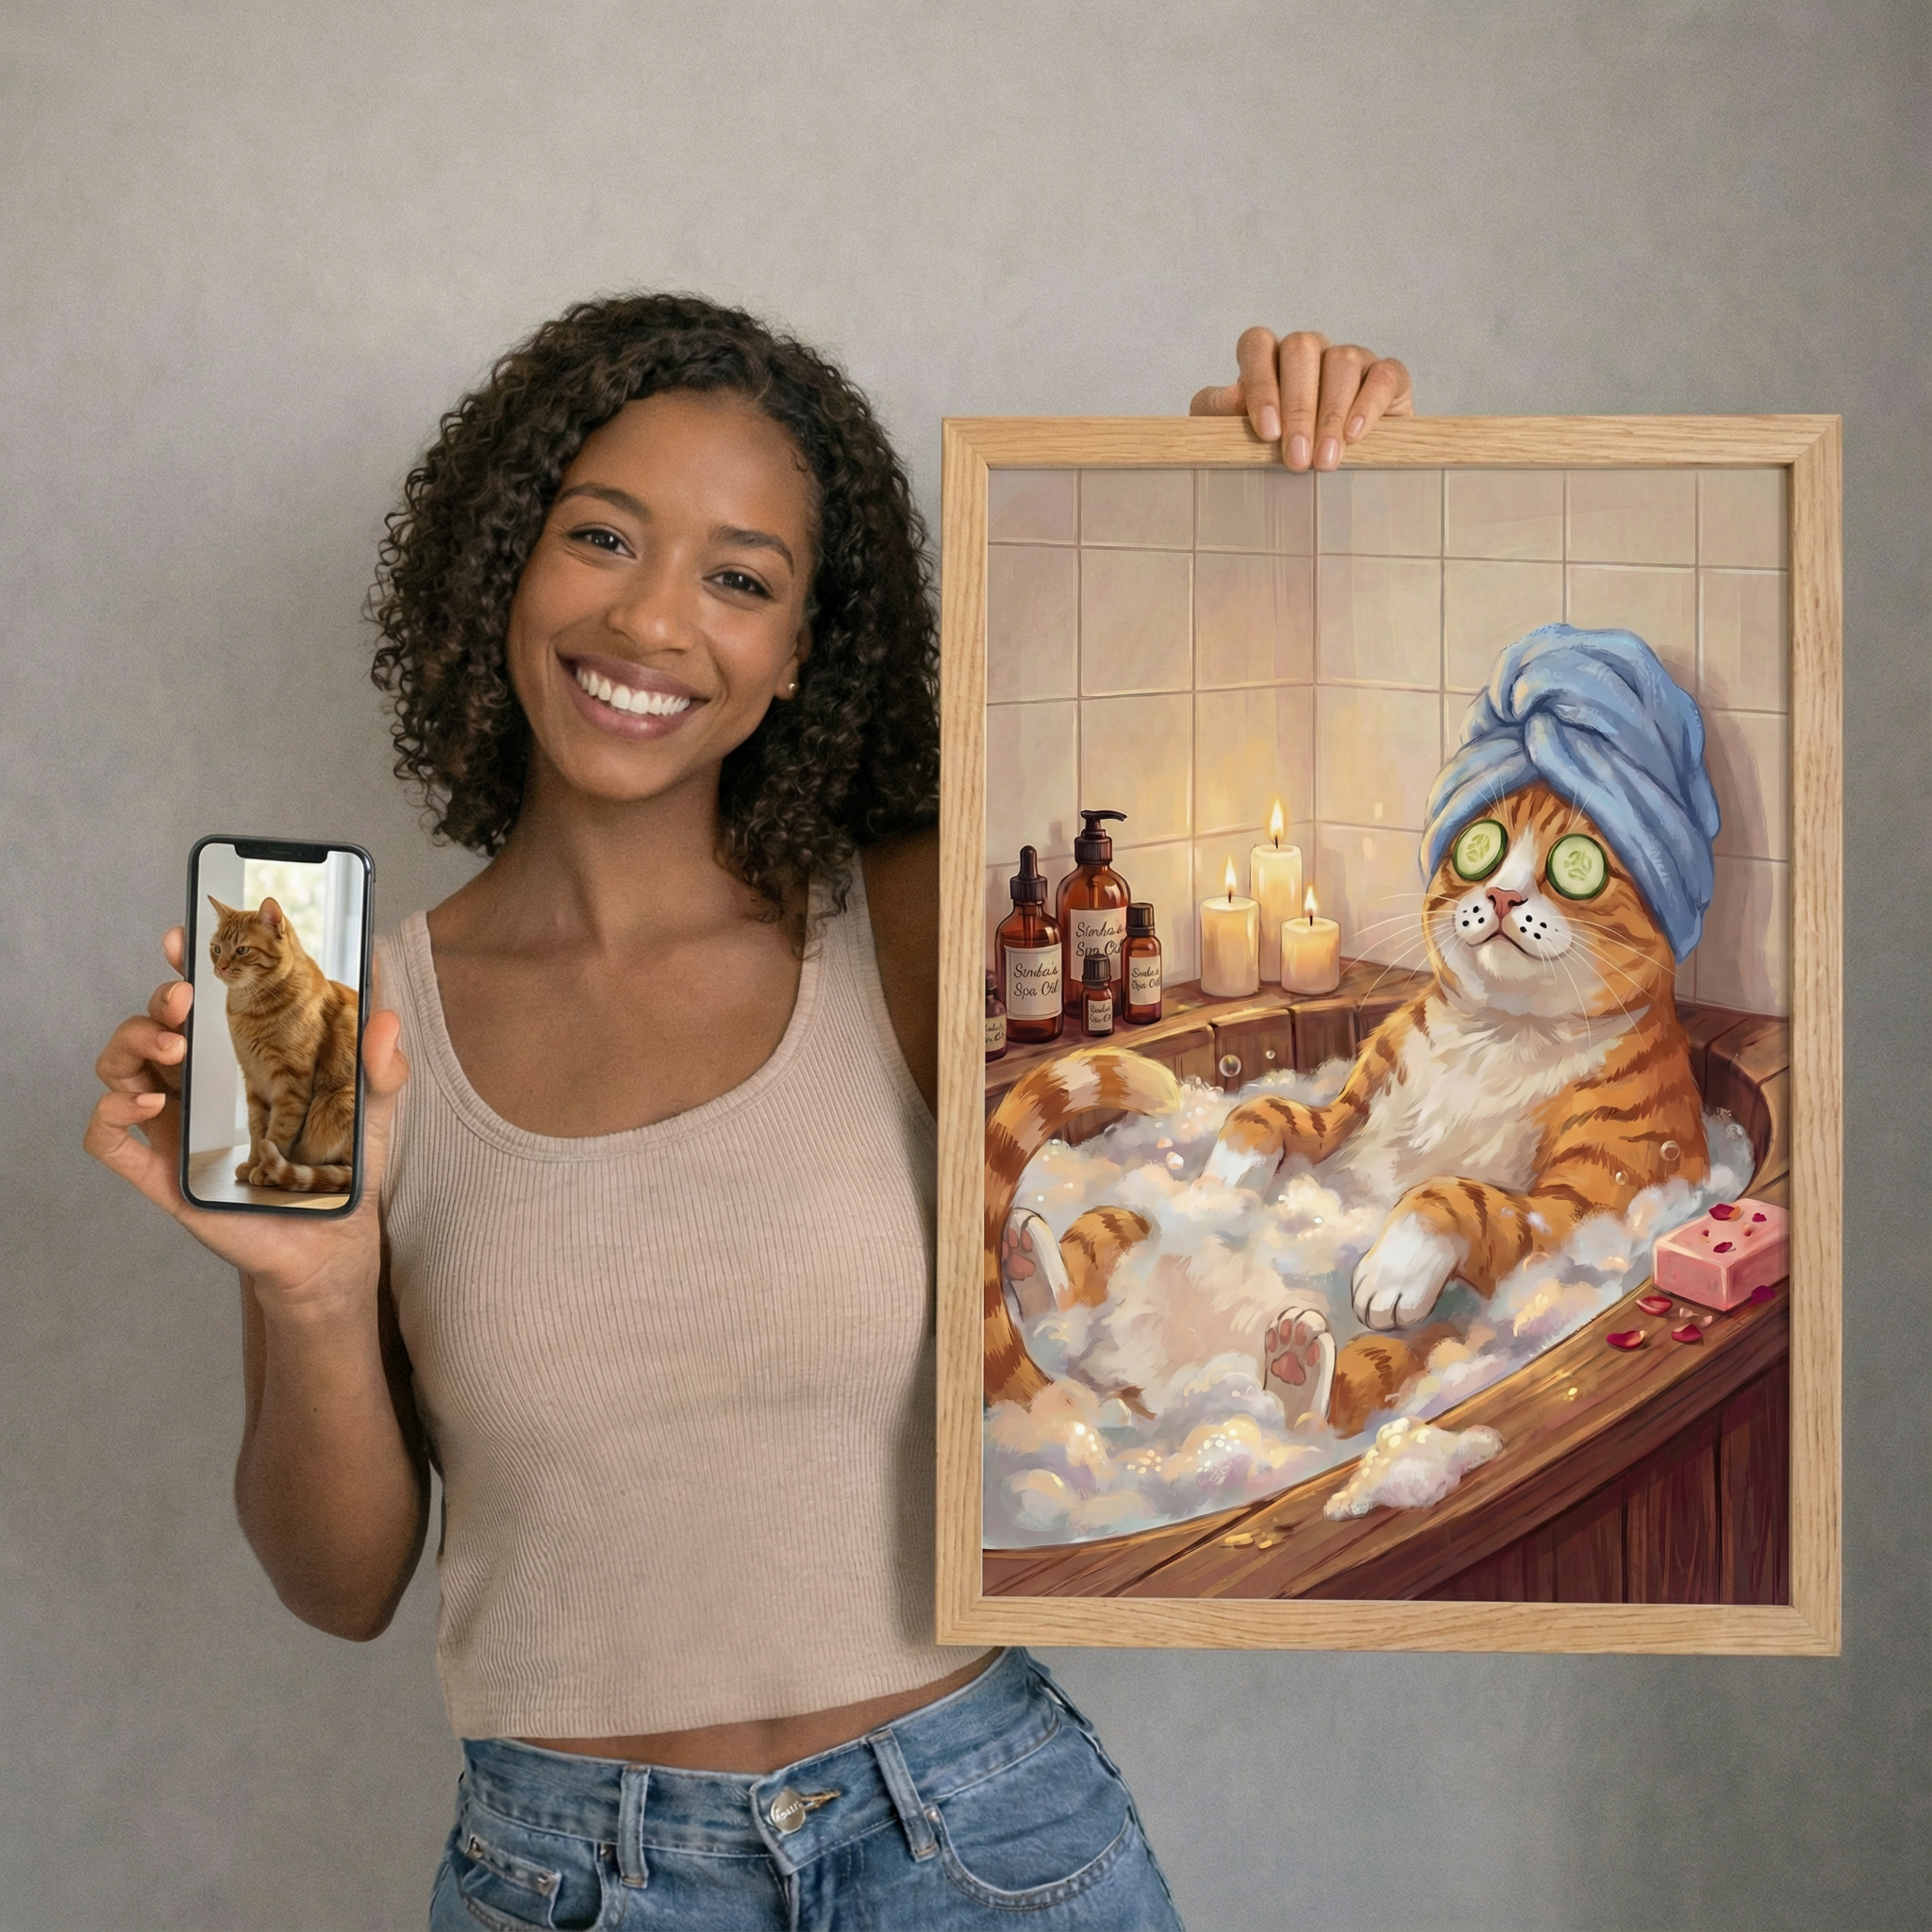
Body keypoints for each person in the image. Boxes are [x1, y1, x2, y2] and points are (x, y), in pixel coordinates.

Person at [86, 301, 1413, 1928]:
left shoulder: (920, 930)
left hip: (982, 1842)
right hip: (573, 1873)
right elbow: (341, 1581)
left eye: (740, 577)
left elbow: (1239, 805)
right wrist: (307, 1287)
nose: (653, 620)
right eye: (600, 537)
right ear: (504, 560)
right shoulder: (361, 1030)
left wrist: (1259, 483)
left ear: (803, 654)